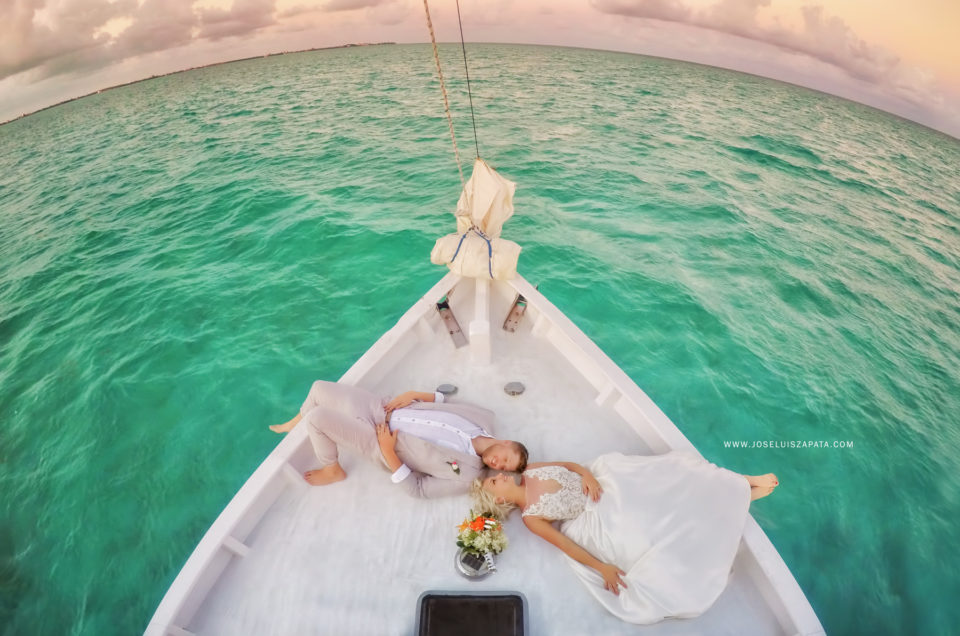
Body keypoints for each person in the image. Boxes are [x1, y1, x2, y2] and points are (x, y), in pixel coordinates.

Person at [472, 451, 779, 624]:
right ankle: (738, 496)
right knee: (650, 519)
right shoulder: (531, 518)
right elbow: (567, 546)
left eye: (496, 475)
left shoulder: (530, 471)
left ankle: (739, 482)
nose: (498, 476)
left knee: (673, 471)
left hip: (603, 484)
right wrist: (602, 567)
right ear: (500, 501)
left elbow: (570, 465)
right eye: (495, 483)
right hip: (593, 515)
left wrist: (588, 475)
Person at [270, 380, 528, 498]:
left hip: (379, 442)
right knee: (319, 388)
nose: (497, 463)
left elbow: (420, 490)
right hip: (384, 408)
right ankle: (295, 422)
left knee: (317, 417)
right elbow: (448, 401)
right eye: (504, 458)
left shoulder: (469, 473)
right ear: (505, 442)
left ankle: (332, 468)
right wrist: (416, 394)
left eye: (502, 467)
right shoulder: (485, 418)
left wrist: (389, 452)